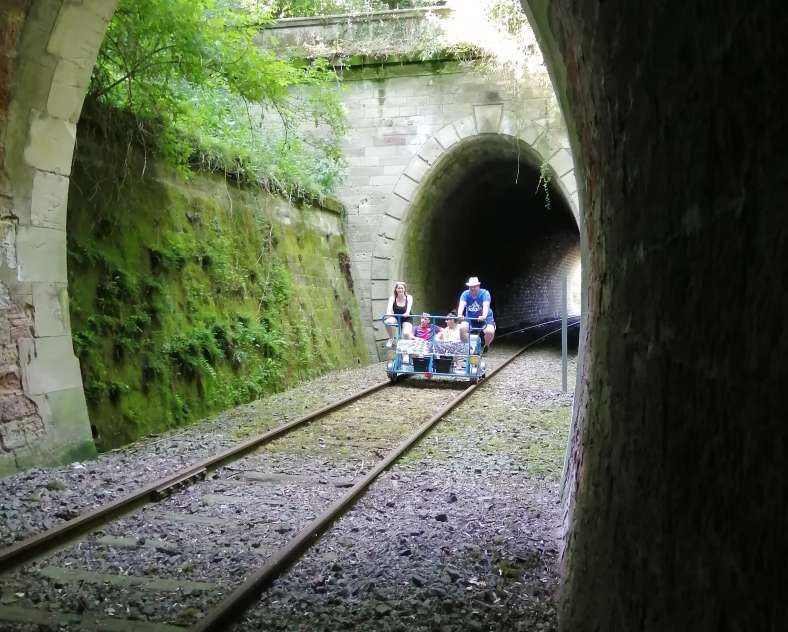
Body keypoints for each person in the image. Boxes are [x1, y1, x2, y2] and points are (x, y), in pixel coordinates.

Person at [457, 276, 495, 349]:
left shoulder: (485, 293)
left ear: (478, 286)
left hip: (485, 317)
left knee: (490, 331)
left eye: (474, 286)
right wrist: (459, 314)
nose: (472, 288)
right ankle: (468, 347)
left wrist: (483, 316)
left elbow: (486, 305)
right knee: (462, 328)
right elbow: (462, 305)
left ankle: (486, 345)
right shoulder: (465, 294)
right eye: (471, 287)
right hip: (471, 317)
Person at [383, 281, 413, 346]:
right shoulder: (392, 298)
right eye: (399, 288)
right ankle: (391, 338)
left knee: (405, 334)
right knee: (387, 322)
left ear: (404, 289)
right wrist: (388, 313)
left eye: (402, 288)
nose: (400, 290)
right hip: (396, 317)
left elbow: (408, 309)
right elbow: (388, 309)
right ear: (396, 289)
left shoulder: (409, 297)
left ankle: (406, 350)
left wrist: (407, 312)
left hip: (407, 318)